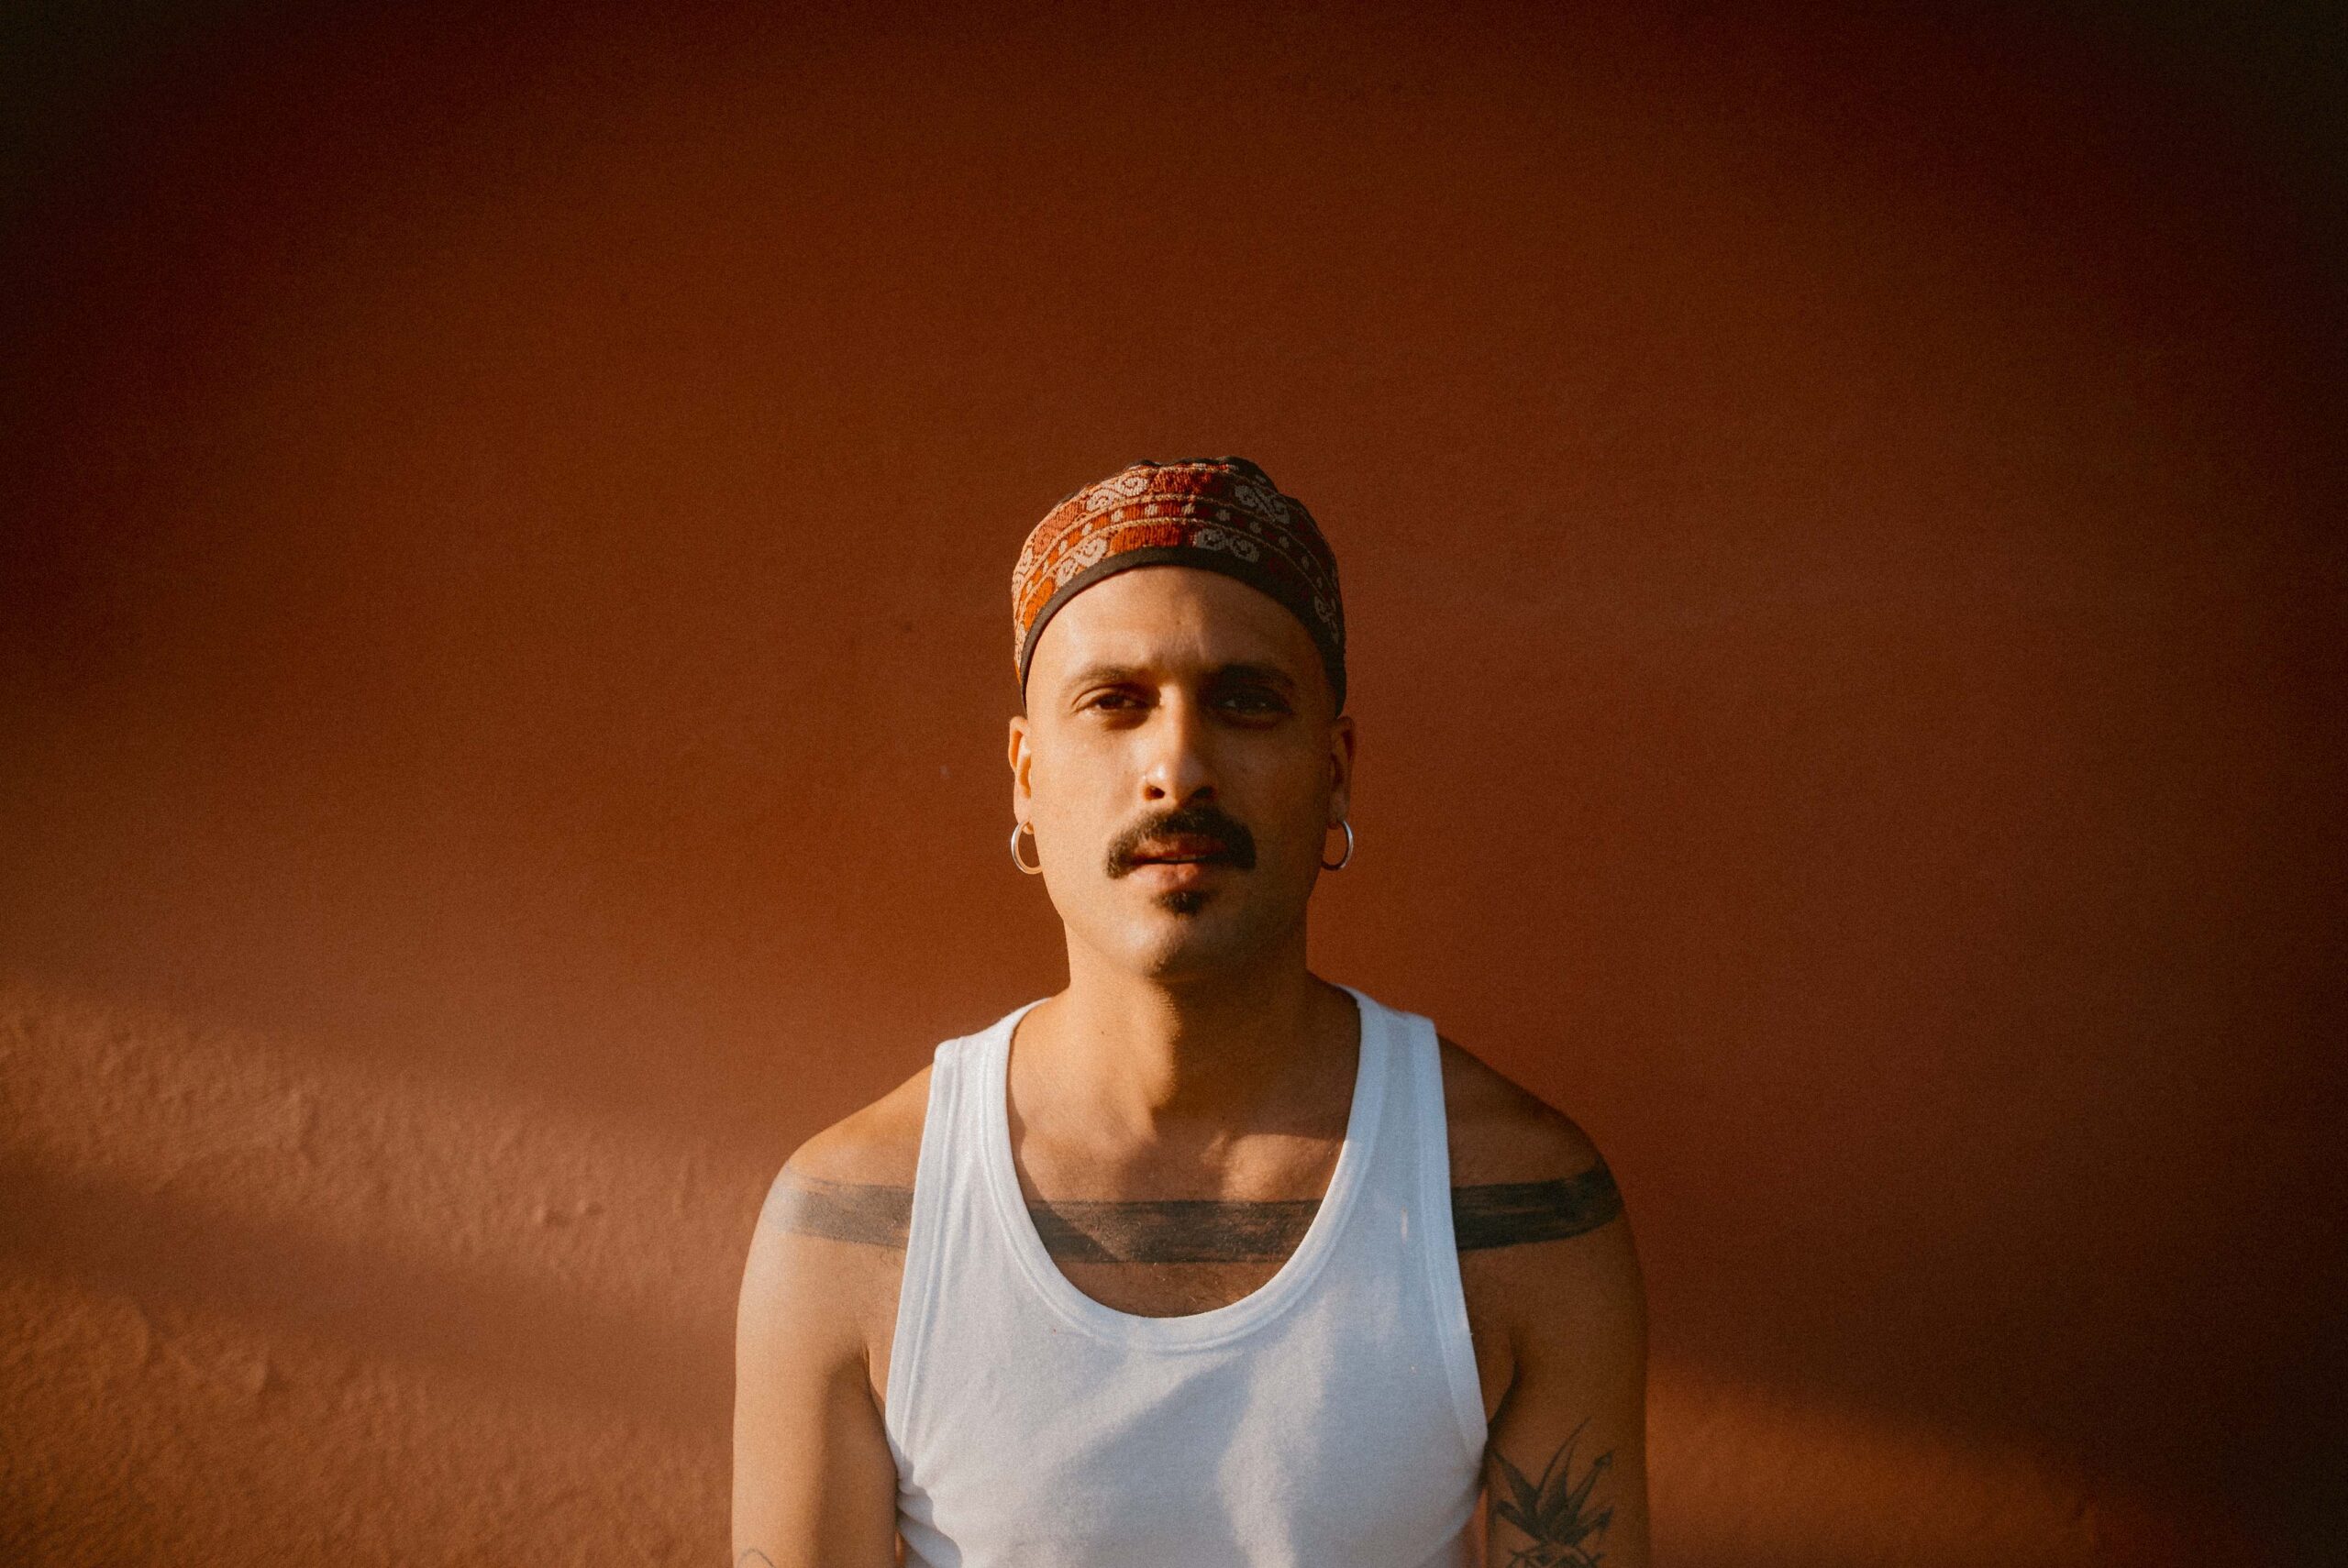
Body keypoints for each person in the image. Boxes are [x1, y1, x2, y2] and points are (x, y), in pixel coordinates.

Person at [732, 457, 1648, 1567]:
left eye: (1245, 702)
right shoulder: (858, 1222)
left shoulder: (1518, 1205)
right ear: (1025, 778)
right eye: (1114, 702)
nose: (1178, 765)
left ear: (1336, 773)